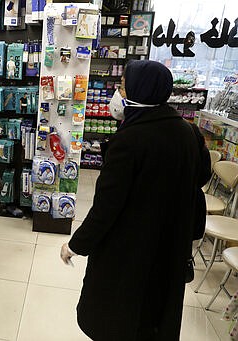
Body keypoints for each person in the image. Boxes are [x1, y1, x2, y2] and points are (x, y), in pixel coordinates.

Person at [60, 60, 211, 340]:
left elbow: (107, 207)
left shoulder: (129, 140)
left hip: (130, 249)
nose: (119, 93)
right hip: (170, 245)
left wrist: (75, 244)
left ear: (139, 90)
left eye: (122, 86)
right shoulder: (187, 131)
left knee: (119, 316)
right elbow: (201, 176)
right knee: (154, 316)